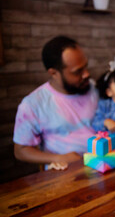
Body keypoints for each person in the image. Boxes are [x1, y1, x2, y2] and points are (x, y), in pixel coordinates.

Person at [13, 36, 98, 169]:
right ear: (54, 73)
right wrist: (59, 158)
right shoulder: (33, 104)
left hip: (104, 163)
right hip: (65, 171)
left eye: (85, 67)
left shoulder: (94, 88)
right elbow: (20, 150)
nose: (86, 74)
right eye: (78, 72)